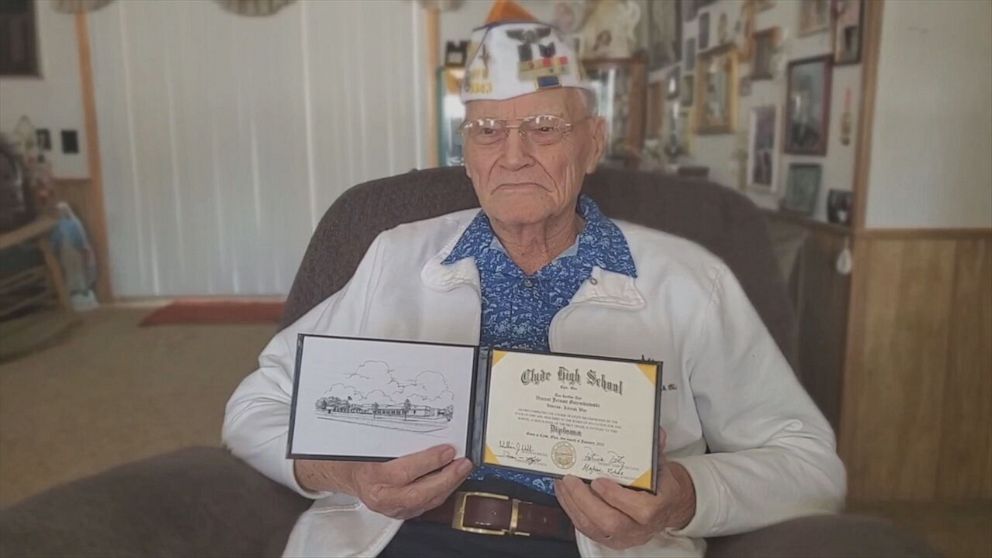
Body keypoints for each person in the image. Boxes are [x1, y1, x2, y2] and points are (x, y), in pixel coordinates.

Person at [223, 2, 845, 556]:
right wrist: (348, 476)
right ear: (465, 153)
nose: (512, 155)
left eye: (544, 129)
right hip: (396, 536)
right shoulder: (396, 256)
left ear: (593, 142)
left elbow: (811, 465)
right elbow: (256, 405)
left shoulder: (689, 281)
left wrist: (685, 495)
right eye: (487, 130)